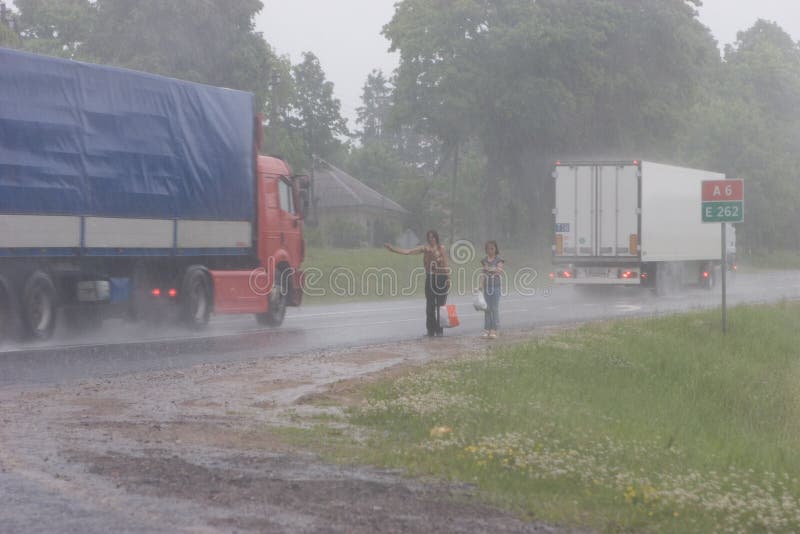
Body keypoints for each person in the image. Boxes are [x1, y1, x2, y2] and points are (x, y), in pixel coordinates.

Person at [385, 230, 450, 337]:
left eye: (433, 237)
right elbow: (408, 252)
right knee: (430, 306)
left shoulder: (441, 248)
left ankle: (439, 331)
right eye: (429, 237)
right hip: (430, 277)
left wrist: (448, 278)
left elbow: (446, 264)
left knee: (440, 306)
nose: (431, 239)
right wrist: (393, 249)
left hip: (441, 277)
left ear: (436, 238)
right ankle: (430, 330)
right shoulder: (425, 249)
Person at [479, 240, 504, 339]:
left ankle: (494, 329)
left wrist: (489, 269)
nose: (490, 250)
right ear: (486, 250)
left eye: (492, 248)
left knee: (494, 308)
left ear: (495, 249)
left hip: (496, 286)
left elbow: (499, 271)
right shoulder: (484, 260)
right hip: (487, 287)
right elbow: (483, 273)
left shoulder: (499, 260)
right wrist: (480, 284)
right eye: (488, 248)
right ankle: (487, 329)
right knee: (487, 308)